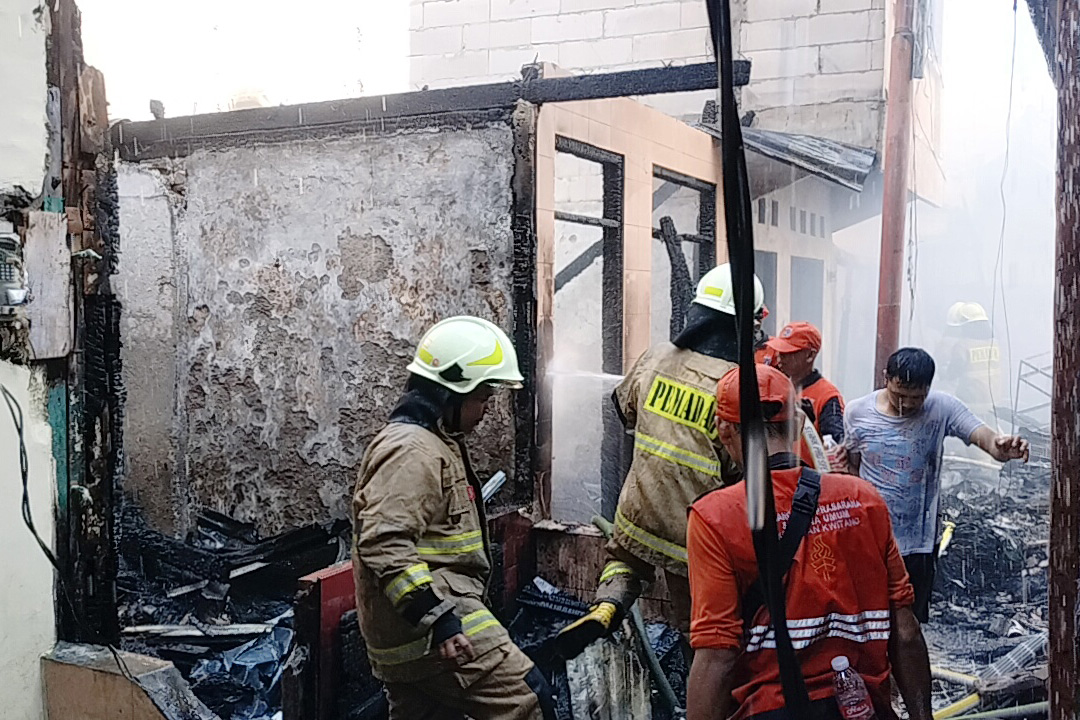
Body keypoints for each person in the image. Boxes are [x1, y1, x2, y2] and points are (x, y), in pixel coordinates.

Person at [686, 364, 932, 720]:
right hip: (864, 710)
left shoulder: (716, 516)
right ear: (799, 424)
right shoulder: (863, 499)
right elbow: (906, 632)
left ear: (724, 430)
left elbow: (717, 656)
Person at [556, 264, 765, 657]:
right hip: (694, 529)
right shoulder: (736, 385)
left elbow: (624, 412)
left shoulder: (656, 357)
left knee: (626, 560)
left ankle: (607, 605)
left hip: (638, 510)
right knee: (700, 628)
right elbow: (740, 465)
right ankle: (701, 694)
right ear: (743, 326)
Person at [351, 316, 553, 720]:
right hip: (432, 624)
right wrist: (439, 618)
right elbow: (383, 541)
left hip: (416, 630)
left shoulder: (434, 443)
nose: (485, 411)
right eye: (482, 398)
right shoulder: (413, 451)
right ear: (452, 392)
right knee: (527, 699)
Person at [841, 347, 1029, 623]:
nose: (906, 405)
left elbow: (984, 437)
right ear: (886, 379)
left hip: (918, 545)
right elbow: (852, 467)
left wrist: (1001, 447)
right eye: (899, 395)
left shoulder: (942, 408)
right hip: (871, 539)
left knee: (910, 624)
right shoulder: (857, 413)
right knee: (870, 621)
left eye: (916, 398)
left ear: (928, 389)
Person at [939, 302, 1003, 425]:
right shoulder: (995, 344)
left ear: (967, 327)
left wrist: (943, 372)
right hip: (994, 403)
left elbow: (952, 374)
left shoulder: (963, 346)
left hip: (971, 404)